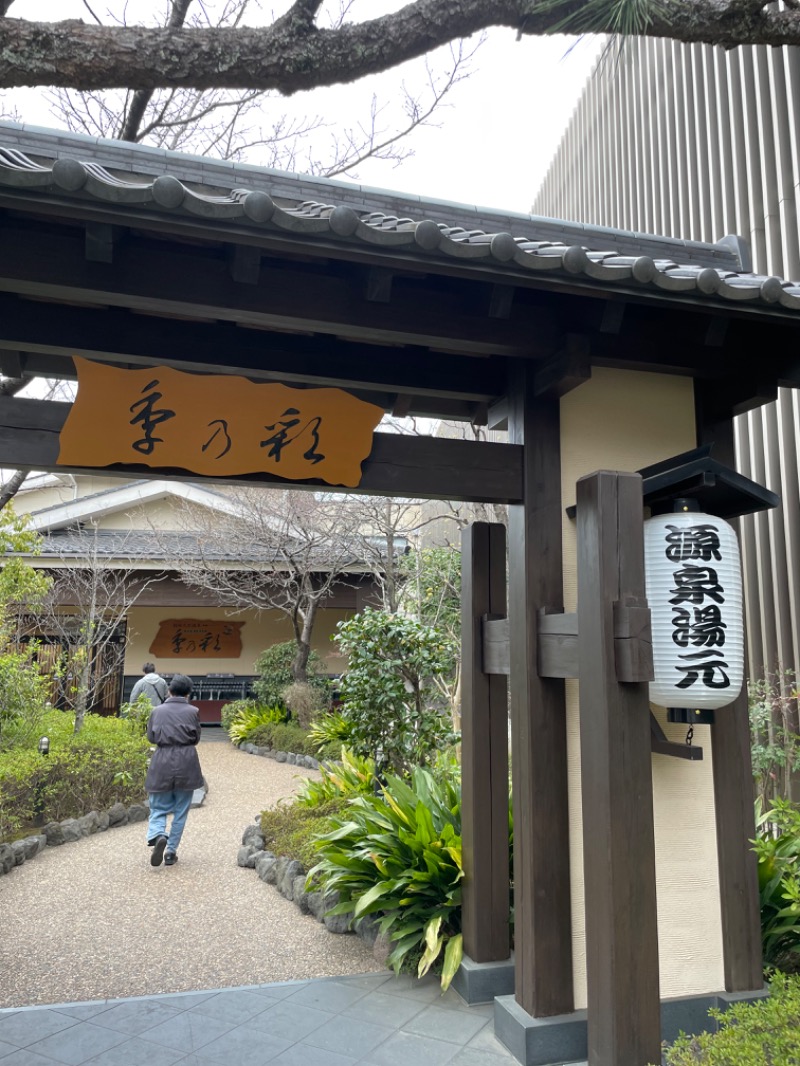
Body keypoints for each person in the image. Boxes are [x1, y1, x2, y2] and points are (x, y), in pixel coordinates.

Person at [144, 673, 203, 868]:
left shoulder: (157, 711)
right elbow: (195, 738)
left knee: (158, 807)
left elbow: (151, 737)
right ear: (188, 693)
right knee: (181, 811)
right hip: (187, 761)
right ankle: (170, 851)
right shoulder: (193, 711)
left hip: (162, 760)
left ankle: (159, 834)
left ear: (169, 690)